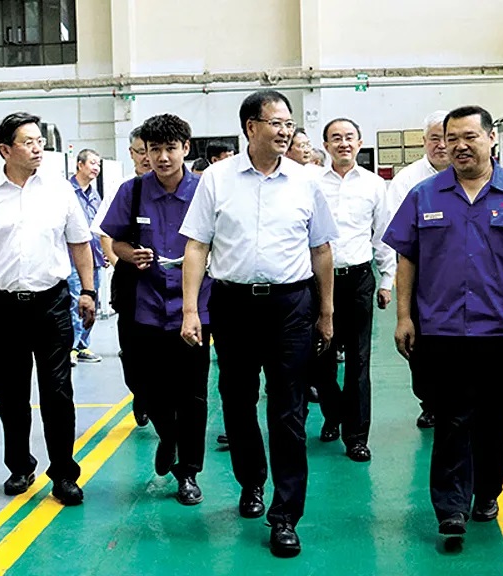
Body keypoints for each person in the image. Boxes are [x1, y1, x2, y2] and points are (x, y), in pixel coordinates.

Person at [383, 105, 503, 538]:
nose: (460, 146)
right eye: (452, 139)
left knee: (491, 417)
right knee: (449, 418)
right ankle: (450, 506)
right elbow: (406, 258)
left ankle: (486, 492)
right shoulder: (424, 195)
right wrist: (404, 316)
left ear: (491, 138)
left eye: (470, 137)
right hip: (440, 328)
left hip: (499, 328)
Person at [180, 90, 337, 558]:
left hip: (291, 306)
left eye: (289, 123)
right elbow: (197, 246)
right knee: (237, 399)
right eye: (276, 123)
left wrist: (326, 312)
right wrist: (191, 310)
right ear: (251, 127)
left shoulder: (306, 181)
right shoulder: (217, 179)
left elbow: (322, 249)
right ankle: (251, 482)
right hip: (233, 304)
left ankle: (285, 515)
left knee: (288, 409)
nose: (285, 131)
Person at [0, 112, 97, 507]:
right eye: (28, 142)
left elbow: (79, 243)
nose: (37, 149)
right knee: (11, 395)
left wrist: (88, 291)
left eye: (39, 142)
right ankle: (19, 465)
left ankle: (63, 473)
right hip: (1, 309)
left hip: (51, 305)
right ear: (4, 150)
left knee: (58, 393)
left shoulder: (59, 191)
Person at [100, 114, 213, 505]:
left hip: (195, 308)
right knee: (146, 385)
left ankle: (188, 472)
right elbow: (116, 241)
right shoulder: (132, 192)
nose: (163, 157)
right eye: (155, 150)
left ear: (185, 148)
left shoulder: (205, 192)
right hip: (144, 307)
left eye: (170, 148)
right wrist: (132, 254)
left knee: (192, 394)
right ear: (144, 152)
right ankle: (169, 436)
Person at [311, 117, 393, 462]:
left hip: (358, 279)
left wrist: (387, 280)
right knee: (320, 359)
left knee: (359, 360)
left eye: (349, 137)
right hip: (317, 281)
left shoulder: (374, 185)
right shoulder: (312, 182)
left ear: (359, 143)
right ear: (326, 145)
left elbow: (383, 234)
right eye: (336, 138)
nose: (343, 143)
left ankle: (357, 436)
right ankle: (333, 414)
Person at [386, 110, 451, 430]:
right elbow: (398, 241)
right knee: (421, 349)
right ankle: (430, 402)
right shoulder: (408, 182)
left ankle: (455, 404)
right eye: (434, 138)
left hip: (465, 281)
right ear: (424, 142)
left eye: (447, 138)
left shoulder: (475, 176)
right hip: (422, 281)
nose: (442, 145)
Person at [91, 126, 151, 427]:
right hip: (130, 281)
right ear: (132, 153)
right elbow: (105, 233)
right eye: (142, 151)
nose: (149, 158)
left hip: (165, 282)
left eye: (153, 150)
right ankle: (141, 393)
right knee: (132, 348)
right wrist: (119, 262)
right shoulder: (123, 189)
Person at [68, 149, 104, 367]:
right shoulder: (67, 192)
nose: (96, 168)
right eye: (92, 163)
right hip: (74, 260)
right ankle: (71, 348)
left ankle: (83, 345)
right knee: (76, 303)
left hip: (95, 259)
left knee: (92, 304)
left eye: (98, 164)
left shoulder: (94, 194)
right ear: (80, 165)